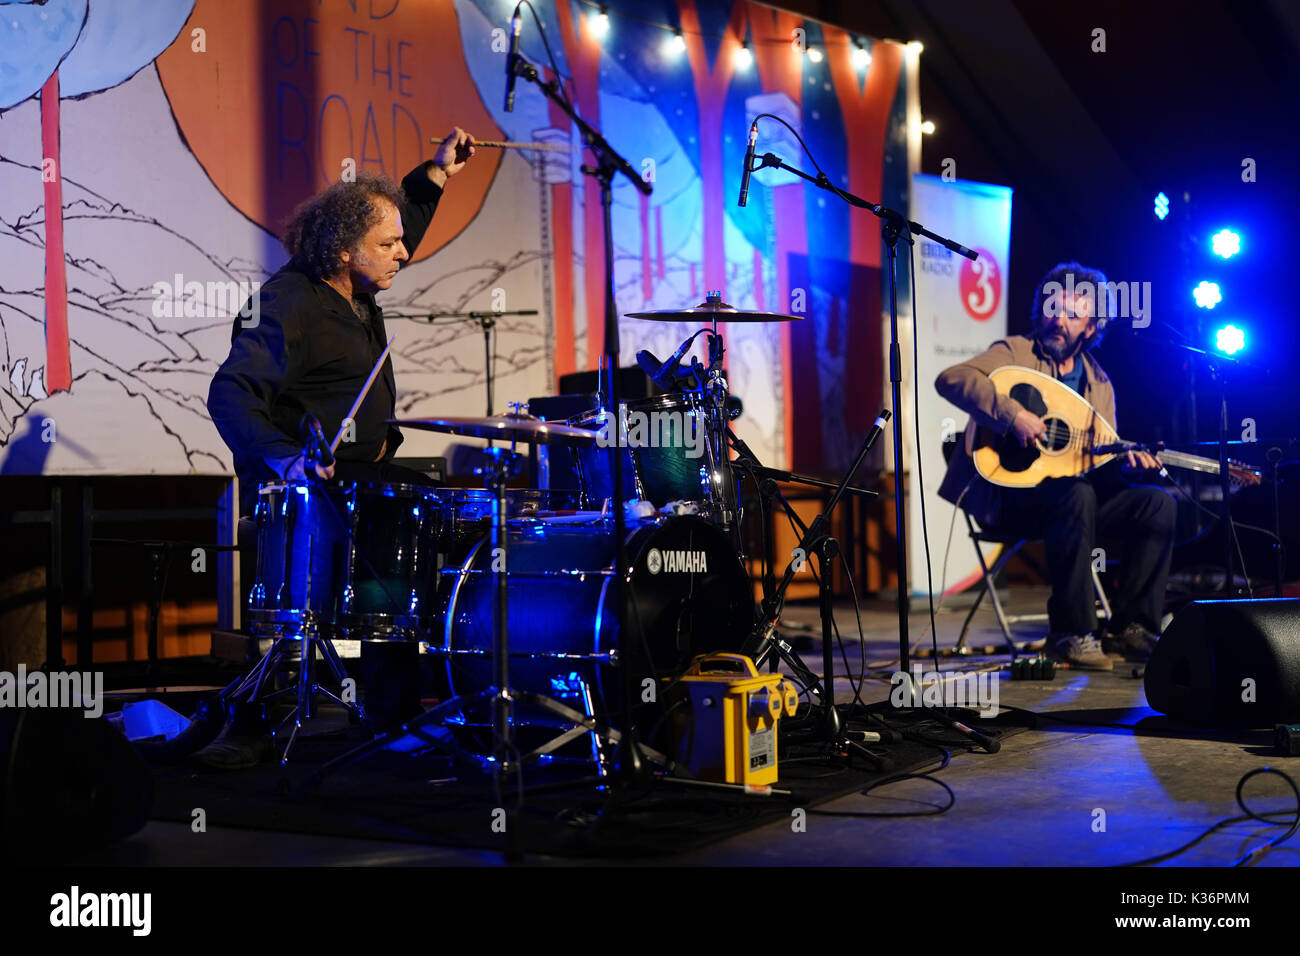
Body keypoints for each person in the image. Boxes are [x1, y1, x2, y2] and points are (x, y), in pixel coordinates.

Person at [205, 130, 476, 754]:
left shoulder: (357, 284)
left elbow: (401, 219)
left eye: (399, 241)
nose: (403, 252)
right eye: (387, 246)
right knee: (385, 579)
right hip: (317, 488)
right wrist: (284, 457)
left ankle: (412, 709)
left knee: (434, 530)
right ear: (343, 249)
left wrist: (436, 173)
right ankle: (388, 717)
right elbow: (230, 393)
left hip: (369, 476)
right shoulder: (286, 303)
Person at [935, 261, 1176, 671]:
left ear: (1091, 326)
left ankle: (1131, 627)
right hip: (1010, 498)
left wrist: (1130, 466)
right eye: (1053, 308)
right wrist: (1012, 415)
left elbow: (1098, 463)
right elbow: (952, 378)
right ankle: (1071, 633)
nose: (1059, 320)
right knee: (1075, 494)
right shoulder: (1016, 352)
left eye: (1073, 313)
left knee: (1158, 504)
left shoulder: (1099, 384)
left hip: (1070, 507)